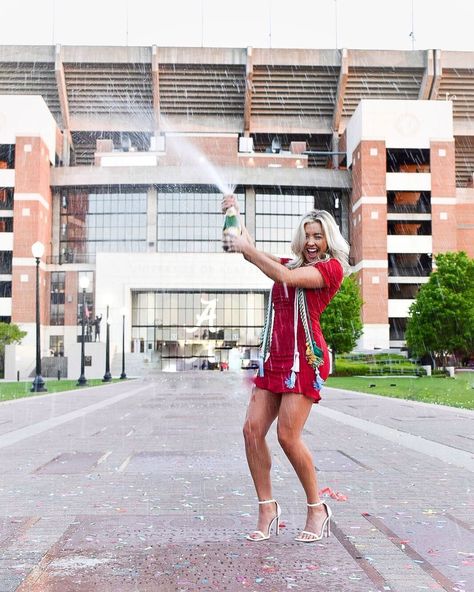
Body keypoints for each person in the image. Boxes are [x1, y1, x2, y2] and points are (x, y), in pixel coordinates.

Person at [222, 195, 350, 543]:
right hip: (275, 357)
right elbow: (254, 254)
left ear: (328, 241)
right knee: (251, 430)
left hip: (304, 359)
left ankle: (317, 507)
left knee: (287, 436)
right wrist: (234, 214)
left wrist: (248, 249)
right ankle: (267, 507)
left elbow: (279, 274)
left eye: (318, 236)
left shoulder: (329, 270)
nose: (311, 242)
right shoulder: (292, 266)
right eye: (307, 235)